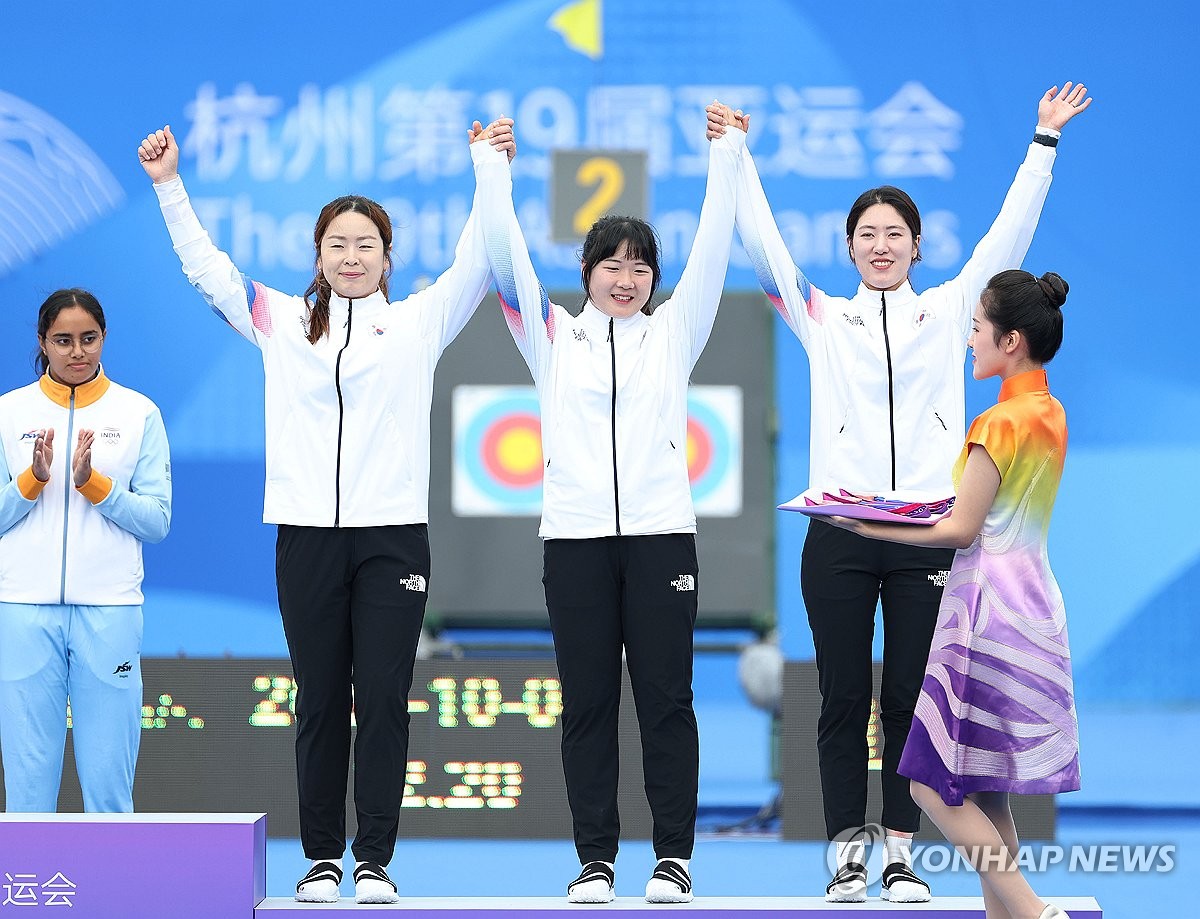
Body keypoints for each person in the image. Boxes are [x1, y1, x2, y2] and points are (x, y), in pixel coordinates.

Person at [708, 82, 1091, 902]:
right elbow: (765, 243)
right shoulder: (820, 318)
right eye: (867, 235)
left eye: (896, 234)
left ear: (918, 248)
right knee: (843, 695)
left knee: (913, 698)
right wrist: (734, 156)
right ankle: (849, 855)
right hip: (841, 531)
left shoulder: (955, 310)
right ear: (849, 249)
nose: (881, 245)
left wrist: (1042, 146)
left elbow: (1007, 234)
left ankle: (900, 854)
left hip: (927, 531)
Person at [136, 119, 515, 904]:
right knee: (317, 698)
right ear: (318, 256)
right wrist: (169, 185)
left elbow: (480, 259)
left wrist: (490, 167)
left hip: (393, 538)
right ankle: (319, 857)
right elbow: (207, 271)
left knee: (381, 697)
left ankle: (373, 857)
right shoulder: (279, 321)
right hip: (307, 534)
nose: (351, 256)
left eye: (366, 245)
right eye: (337, 244)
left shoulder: (418, 322)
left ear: (386, 258)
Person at [474, 105, 745, 903]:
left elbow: (716, 245)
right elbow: (504, 256)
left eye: (640, 267)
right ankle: (595, 858)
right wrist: (493, 168)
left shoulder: (675, 333)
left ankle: (673, 858)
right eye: (611, 265)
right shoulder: (551, 338)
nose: (626, 279)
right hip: (577, 543)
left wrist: (726, 156)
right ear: (587, 270)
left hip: (663, 539)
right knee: (587, 705)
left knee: (667, 702)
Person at [827, 269, 1078, 919]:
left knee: (929, 782)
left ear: (1012, 340)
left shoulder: (997, 424)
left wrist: (866, 521)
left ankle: (1030, 909)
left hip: (984, 617)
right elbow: (982, 513)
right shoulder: (1050, 413)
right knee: (990, 794)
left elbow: (961, 529)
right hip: (1036, 612)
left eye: (976, 328)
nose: (969, 341)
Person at [0, 289, 172, 814]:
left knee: (107, 780)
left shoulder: (138, 413)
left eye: (89, 339)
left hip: (110, 609)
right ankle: (29, 894)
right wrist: (33, 480)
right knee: (28, 782)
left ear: (103, 339)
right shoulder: (8, 412)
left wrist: (94, 484)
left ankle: (112, 893)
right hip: (23, 609)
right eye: (63, 340)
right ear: (42, 343)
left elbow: (157, 521)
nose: (78, 352)